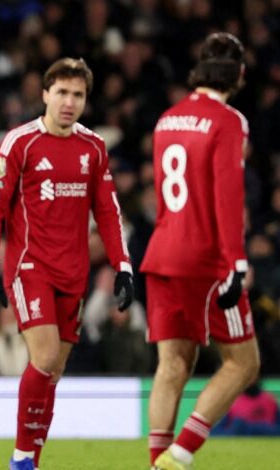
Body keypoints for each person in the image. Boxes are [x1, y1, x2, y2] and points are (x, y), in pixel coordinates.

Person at [0, 57, 134, 470]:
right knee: (45, 358)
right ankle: (20, 457)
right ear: (45, 94)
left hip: (74, 273)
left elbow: (108, 210)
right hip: (30, 268)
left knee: (54, 371)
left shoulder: (93, 147)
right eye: (62, 92)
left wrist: (122, 265)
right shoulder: (20, 142)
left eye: (77, 94)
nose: (69, 102)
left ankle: (33, 460)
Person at [140, 32, 261, 470]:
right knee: (243, 363)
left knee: (171, 364)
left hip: (162, 252)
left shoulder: (168, 119)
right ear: (240, 74)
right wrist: (236, 262)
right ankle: (180, 453)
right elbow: (228, 196)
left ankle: (157, 461)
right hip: (205, 259)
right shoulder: (228, 121)